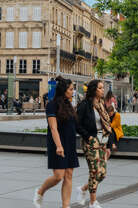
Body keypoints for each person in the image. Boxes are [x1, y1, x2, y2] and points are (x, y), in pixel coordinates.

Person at [35, 76, 79, 208]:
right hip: (57, 143)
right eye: (71, 89)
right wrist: (59, 146)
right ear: (64, 90)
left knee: (69, 175)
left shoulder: (69, 105)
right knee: (59, 176)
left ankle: (66, 206)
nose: (73, 92)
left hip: (70, 143)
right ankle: (40, 191)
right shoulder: (51, 105)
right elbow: (53, 128)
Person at [76, 80, 111, 207]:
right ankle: (92, 202)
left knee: (102, 174)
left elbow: (107, 124)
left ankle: (83, 189)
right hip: (91, 142)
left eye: (103, 88)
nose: (103, 90)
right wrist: (89, 137)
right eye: (100, 88)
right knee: (95, 172)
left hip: (103, 141)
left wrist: (108, 145)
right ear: (94, 90)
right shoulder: (84, 105)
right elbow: (77, 124)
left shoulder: (101, 104)